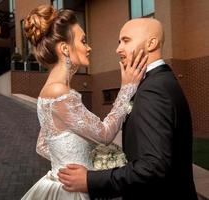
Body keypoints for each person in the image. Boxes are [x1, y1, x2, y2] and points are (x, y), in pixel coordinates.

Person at [58, 18, 198, 200]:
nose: (118, 49)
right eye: (119, 42)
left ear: (151, 43)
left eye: (126, 40)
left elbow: (153, 167)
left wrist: (90, 180)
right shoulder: (159, 81)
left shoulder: (153, 90)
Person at [21, 5, 147, 200]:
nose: (89, 47)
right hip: (72, 192)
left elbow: (43, 145)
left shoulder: (49, 90)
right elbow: (104, 134)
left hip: (59, 183)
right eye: (83, 40)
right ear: (64, 48)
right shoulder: (60, 93)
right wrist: (127, 88)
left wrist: (68, 163)